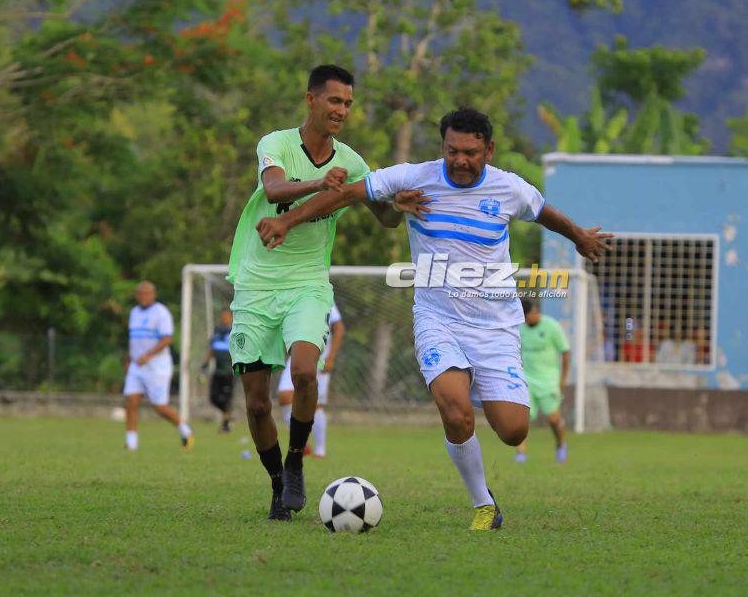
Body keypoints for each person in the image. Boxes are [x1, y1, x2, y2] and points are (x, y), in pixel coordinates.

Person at [255, 106, 612, 530]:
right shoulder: (414, 177)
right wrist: (289, 222)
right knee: (454, 408)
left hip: (496, 327)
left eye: (471, 152)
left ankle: (482, 383)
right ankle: (483, 504)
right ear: (442, 147)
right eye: (452, 150)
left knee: (514, 430)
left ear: (489, 151)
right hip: (436, 319)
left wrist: (580, 237)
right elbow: (346, 194)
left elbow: (543, 212)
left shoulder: (509, 188)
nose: (460, 160)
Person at [226, 64, 421, 522]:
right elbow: (274, 189)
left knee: (306, 372)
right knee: (256, 404)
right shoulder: (275, 144)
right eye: (335, 101)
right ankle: (277, 484)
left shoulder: (352, 163)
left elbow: (384, 216)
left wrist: (400, 208)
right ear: (311, 100)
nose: (342, 111)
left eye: (349, 104)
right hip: (256, 285)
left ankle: (296, 461)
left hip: (309, 283)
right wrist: (320, 183)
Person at [122, 281, 194, 451]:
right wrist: (128, 360)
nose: (143, 296)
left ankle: (186, 431)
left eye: (147, 293)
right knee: (131, 401)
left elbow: (167, 338)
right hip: (136, 365)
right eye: (140, 293)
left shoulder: (161, 312)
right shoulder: (134, 312)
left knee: (159, 407)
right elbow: (134, 340)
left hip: (157, 366)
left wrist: (148, 355)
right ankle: (131, 444)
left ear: (153, 294)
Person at [278, 304, 344, 458]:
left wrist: (331, 357)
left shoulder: (323, 295)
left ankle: (320, 451)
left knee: (315, 403)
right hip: (297, 353)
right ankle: (302, 444)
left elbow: (339, 327)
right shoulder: (289, 292)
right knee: (284, 396)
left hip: (319, 356)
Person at [514, 298, 570, 464]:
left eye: (526, 316)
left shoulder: (552, 326)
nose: (525, 320)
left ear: (535, 312)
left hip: (549, 380)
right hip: (527, 379)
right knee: (521, 419)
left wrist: (562, 380)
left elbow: (565, 352)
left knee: (553, 419)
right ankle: (521, 453)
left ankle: (560, 445)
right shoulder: (519, 329)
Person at [205, 309, 235, 433]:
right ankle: (228, 414)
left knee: (227, 399)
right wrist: (205, 363)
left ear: (232, 318)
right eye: (223, 316)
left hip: (230, 372)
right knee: (213, 398)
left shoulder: (235, 332)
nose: (225, 318)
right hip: (217, 371)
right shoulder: (217, 332)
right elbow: (212, 349)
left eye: (227, 316)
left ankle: (226, 426)